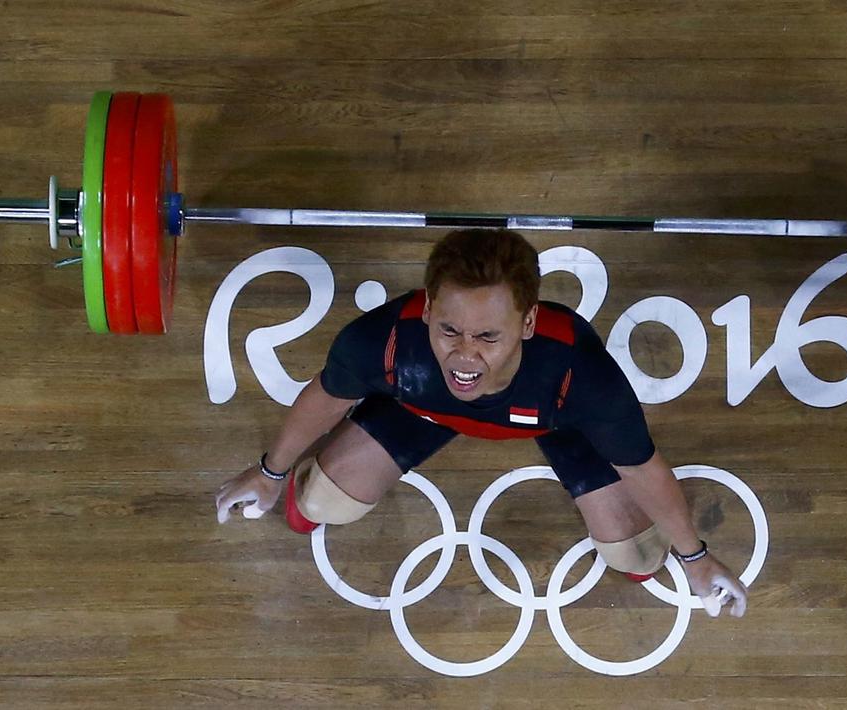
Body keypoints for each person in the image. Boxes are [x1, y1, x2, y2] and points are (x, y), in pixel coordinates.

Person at [215, 229, 747, 617]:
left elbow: (643, 468)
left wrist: (694, 556)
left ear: (529, 322)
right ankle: (323, 470)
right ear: (425, 310)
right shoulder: (382, 342)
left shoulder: (580, 378)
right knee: (319, 504)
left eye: (488, 337)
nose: (464, 355)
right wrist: (271, 471)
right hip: (421, 406)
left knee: (639, 555)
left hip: (558, 424)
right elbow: (327, 399)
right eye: (449, 330)